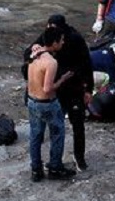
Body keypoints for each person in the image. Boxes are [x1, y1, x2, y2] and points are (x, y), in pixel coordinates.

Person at [27, 14, 93, 172]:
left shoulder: (75, 39)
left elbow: (87, 63)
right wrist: (33, 48)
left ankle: (79, 157)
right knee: (51, 129)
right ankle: (52, 163)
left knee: (78, 125)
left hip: (74, 87)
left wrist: (88, 89)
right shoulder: (48, 37)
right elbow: (28, 56)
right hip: (55, 90)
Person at [25, 27, 77, 182]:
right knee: (57, 134)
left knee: (35, 136)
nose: (63, 42)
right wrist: (62, 79)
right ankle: (55, 167)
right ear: (54, 43)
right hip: (46, 104)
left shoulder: (34, 54)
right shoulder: (51, 62)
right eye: (61, 40)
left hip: (31, 101)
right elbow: (47, 89)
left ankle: (36, 170)